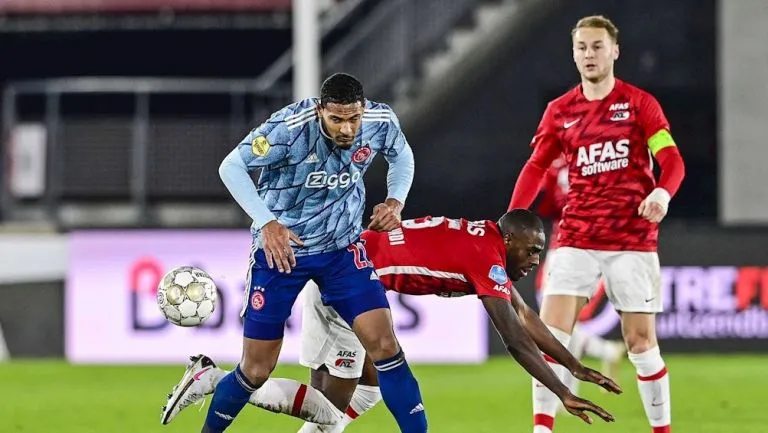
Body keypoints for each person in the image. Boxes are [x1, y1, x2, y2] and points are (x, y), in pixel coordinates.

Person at [164, 210, 620, 431]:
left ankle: (222, 381)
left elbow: (524, 314)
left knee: (364, 395)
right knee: (330, 410)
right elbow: (517, 340)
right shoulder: (490, 258)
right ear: (512, 238)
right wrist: (562, 391)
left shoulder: (487, 243)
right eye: (533, 249)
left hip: (351, 276)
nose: (536, 260)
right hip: (348, 284)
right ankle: (213, 379)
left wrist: (575, 367)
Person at [161, 72, 429, 433]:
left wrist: (396, 200)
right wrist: (267, 222)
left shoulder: (380, 121)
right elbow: (232, 167)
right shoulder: (288, 128)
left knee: (385, 346)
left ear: (362, 110)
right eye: (336, 119)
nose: (347, 129)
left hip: (341, 252)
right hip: (282, 254)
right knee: (256, 370)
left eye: (353, 118)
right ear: (321, 111)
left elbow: (403, 156)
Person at [507, 15, 685, 433]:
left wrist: (661, 192)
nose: (589, 54)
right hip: (576, 237)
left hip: (632, 240)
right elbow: (537, 167)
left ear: (615, 51)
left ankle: (662, 430)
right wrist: (512, 218)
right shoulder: (560, 112)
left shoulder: (640, 104)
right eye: (582, 47)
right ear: (574, 54)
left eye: (597, 46)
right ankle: (542, 429)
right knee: (551, 337)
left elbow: (671, 159)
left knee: (641, 345)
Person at [535, 155, 626, 401]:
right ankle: (601, 354)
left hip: (576, 249)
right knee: (558, 323)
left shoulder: (570, 163)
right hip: (577, 249)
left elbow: (547, 204)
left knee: (556, 322)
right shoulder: (587, 159)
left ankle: (570, 387)